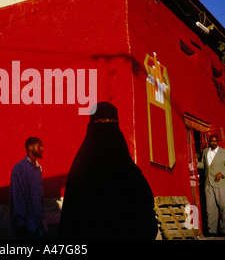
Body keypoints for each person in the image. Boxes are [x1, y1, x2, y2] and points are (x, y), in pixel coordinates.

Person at [58, 102, 158, 240]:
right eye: (103, 123)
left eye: (110, 123)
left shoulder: (79, 174)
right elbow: (148, 223)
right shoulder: (133, 176)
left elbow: (69, 225)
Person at [10, 137, 48, 239]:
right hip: (27, 226)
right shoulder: (19, 169)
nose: (42, 149)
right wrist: (20, 222)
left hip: (39, 226)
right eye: (39, 146)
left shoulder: (39, 168)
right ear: (30, 147)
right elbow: (17, 196)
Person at [197, 134, 225, 236]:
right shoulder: (205, 152)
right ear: (209, 141)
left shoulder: (224, 153)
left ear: (217, 142)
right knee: (210, 210)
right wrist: (194, 162)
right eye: (211, 141)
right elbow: (204, 166)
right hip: (208, 184)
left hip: (220, 184)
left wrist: (222, 173)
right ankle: (211, 232)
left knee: (224, 209)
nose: (213, 143)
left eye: (215, 141)